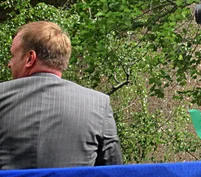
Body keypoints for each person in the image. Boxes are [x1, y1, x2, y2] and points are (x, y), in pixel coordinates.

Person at [0, 21, 123, 169]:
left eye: (13, 55)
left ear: (30, 58)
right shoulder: (98, 104)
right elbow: (113, 173)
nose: (9, 63)